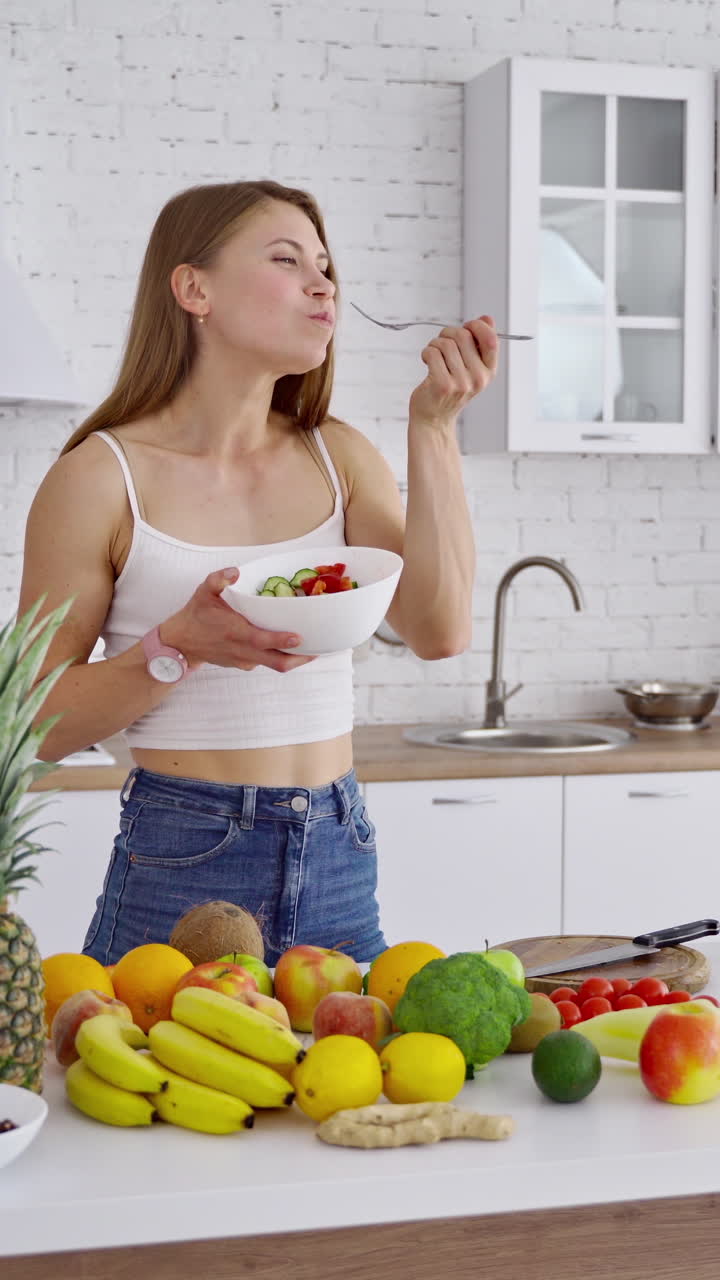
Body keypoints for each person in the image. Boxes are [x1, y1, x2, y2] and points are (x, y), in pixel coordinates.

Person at [18, 179, 498, 967]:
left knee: (363, 1093)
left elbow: (439, 630)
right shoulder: (100, 478)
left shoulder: (338, 455)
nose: (323, 284)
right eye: (286, 259)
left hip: (340, 855)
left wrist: (435, 427)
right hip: (182, 868)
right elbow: (32, 727)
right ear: (193, 288)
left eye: (325, 266)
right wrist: (178, 644)